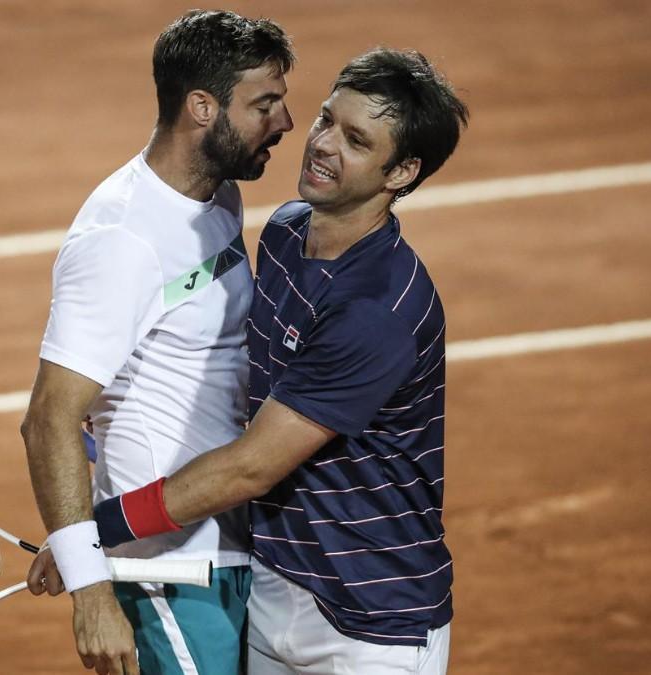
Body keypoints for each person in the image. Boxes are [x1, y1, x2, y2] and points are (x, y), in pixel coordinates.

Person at [32, 48, 469, 674]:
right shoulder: (287, 235)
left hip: (370, 623)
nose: (319, 144)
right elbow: (238, 371)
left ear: (401, 172)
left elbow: (249, 468)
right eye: (325, 120)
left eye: (355, 140)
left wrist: (92, 530)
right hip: (273, 585)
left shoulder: (377, 309)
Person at [20, 10, 295, 675]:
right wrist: (91, 588)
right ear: (203, 108)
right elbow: (49, 417)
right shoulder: (121, 239)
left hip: (230, 544)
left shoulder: (217, 194)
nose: (285, 124)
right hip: (165, 573)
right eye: (265, 105)